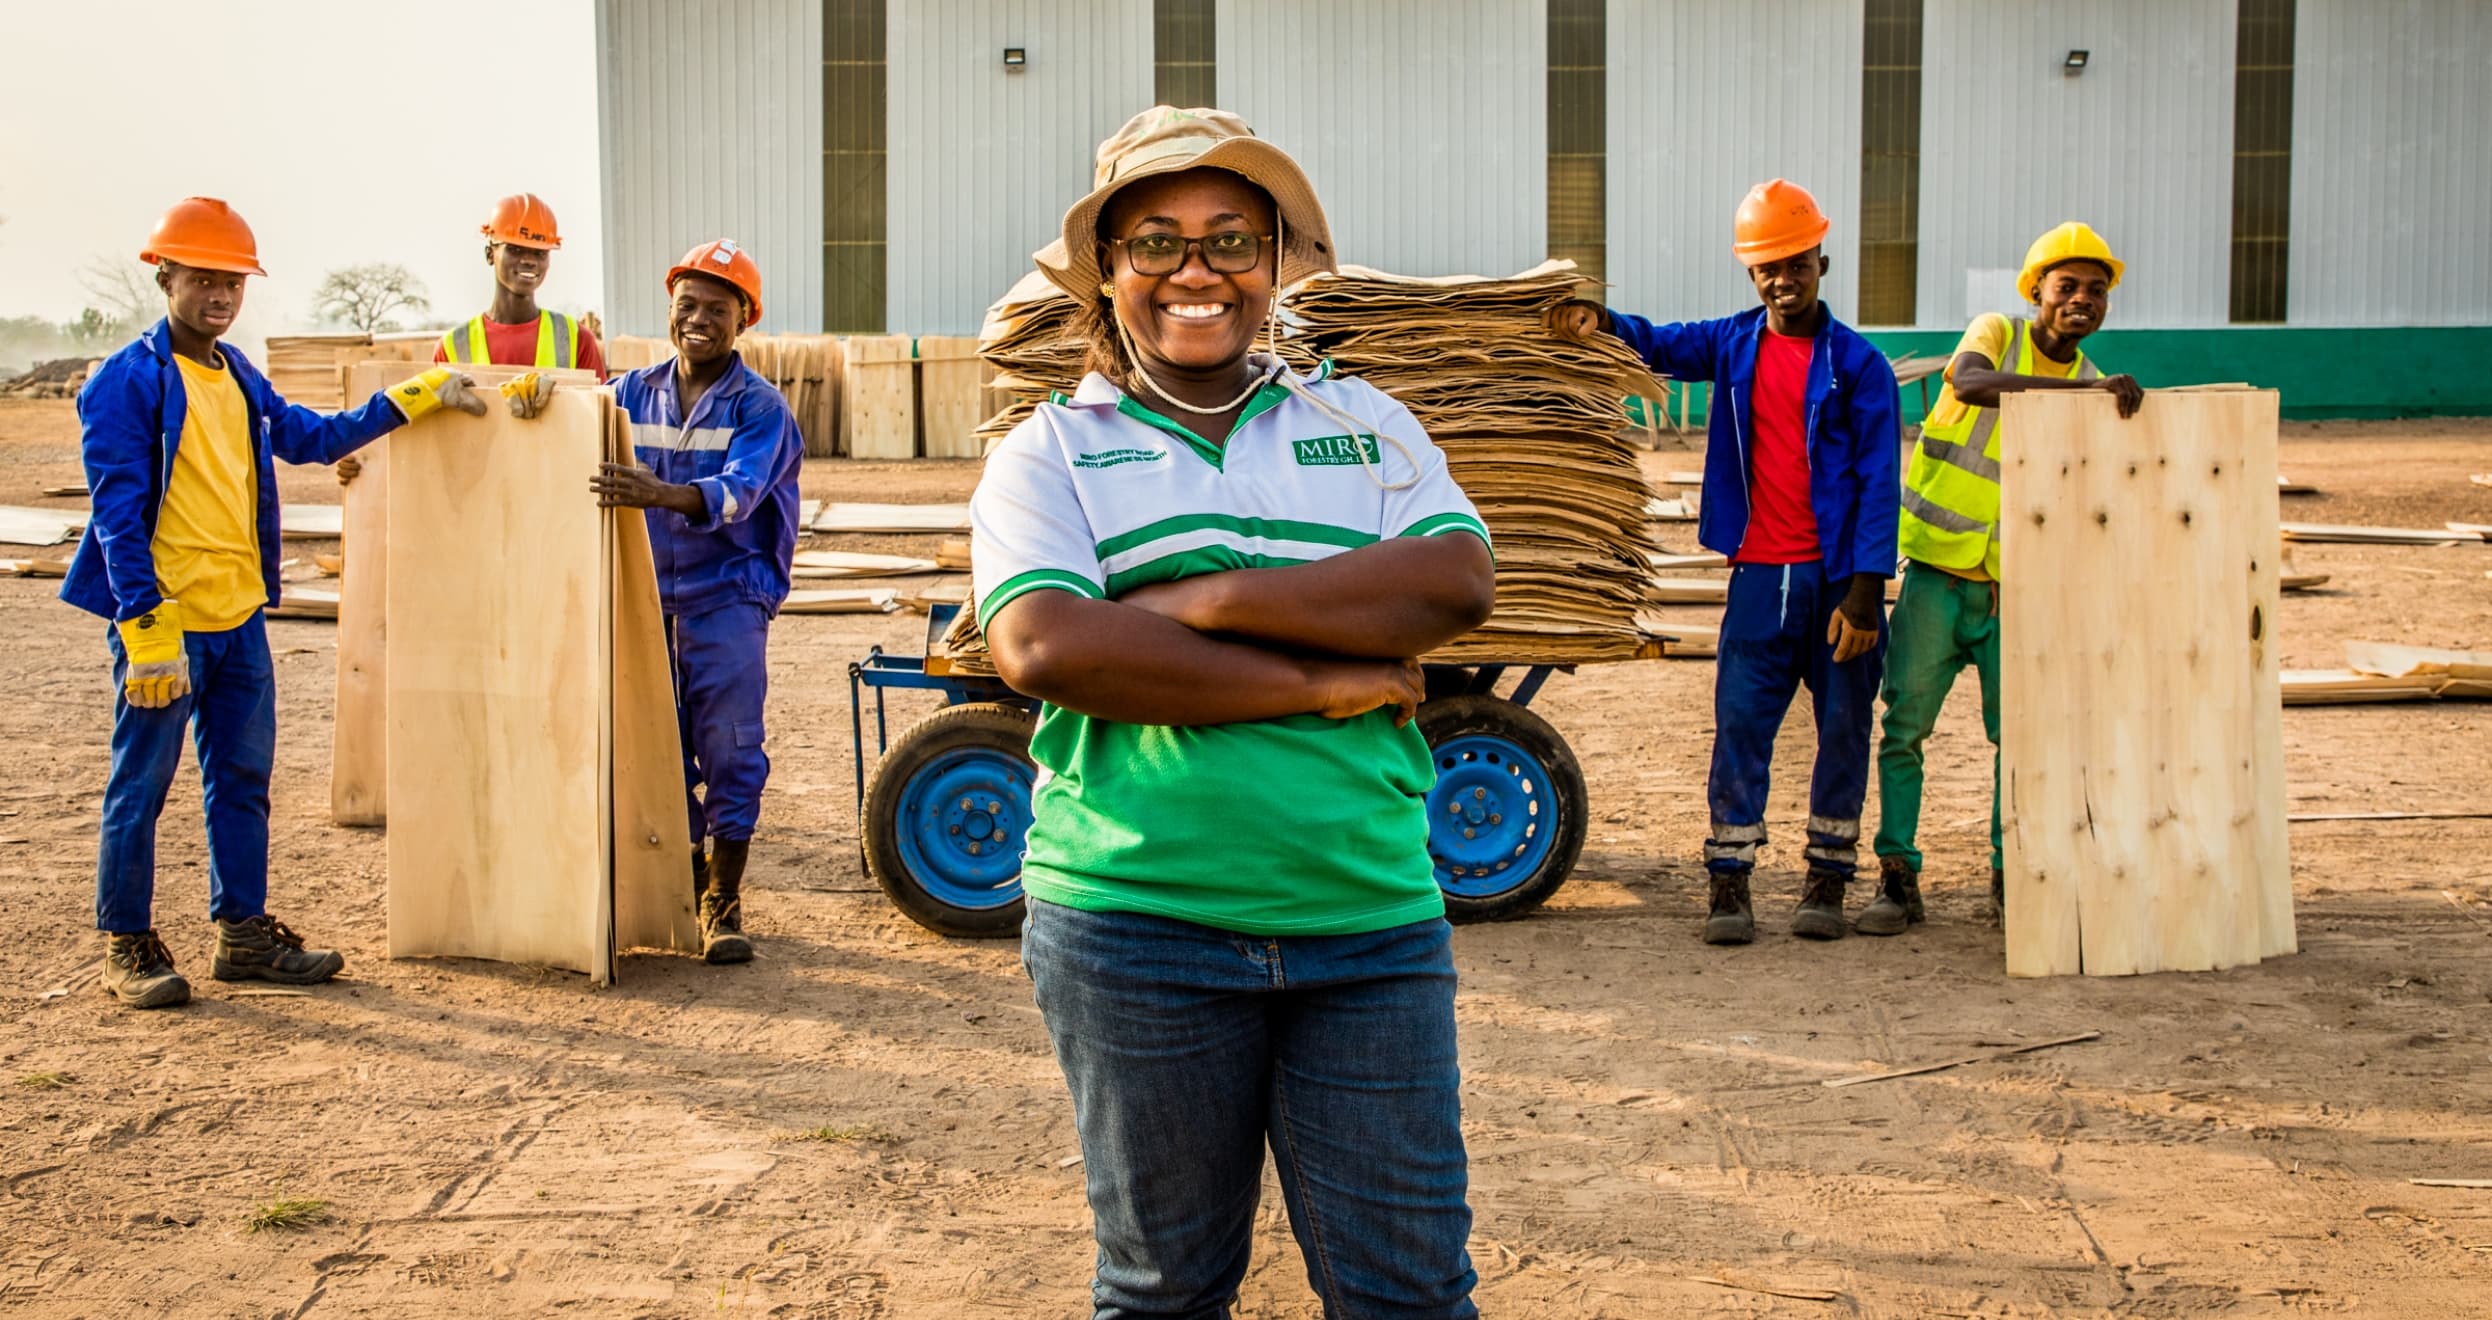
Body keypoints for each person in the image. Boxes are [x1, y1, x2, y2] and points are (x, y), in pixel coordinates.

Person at [974, 105, 1495, 1319]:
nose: (1193, 272)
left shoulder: (1361, 423)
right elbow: (1049, 644)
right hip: (1132, 930)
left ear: (1272, 265)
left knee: (1410, 1297)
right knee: (1163, 1290)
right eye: (1153, 241)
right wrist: (1319, 677)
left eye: (1228, 240)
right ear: (1106, 274)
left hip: (1364, 927)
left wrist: (1198, 600)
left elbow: (1451, 581)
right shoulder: (1047, 452)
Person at [64, 197, 494, 1009]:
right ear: (165, 277)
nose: (220, 297)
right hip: (167, 624)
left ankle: (244, 937)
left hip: (237, 620)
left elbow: (308, 437)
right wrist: (143, 624)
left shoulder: (235, 375)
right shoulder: (128, 381)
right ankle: (126, 943)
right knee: (141, 787)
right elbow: (117, 513)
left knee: (241, 778)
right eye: (202, 280)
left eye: (232, 282)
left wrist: (419, 393)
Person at [1549, 179, 1901, 945]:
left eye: (1797, 261)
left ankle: (1826, 880)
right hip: (1758, 581)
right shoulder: (1733, 345)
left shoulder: (1859, 366)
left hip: (1840, 585)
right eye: (1769, 265)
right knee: (1741, 727)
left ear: (1821, 260)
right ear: (1752, 273)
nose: (1784, 278)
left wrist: (1868, 592)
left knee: (1844, 729)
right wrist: (1600, 321)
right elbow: (1660, 342)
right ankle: (1730, 882)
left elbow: (1881, 479)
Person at [1868, 221, 2141, 928]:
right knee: (1903, 730)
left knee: (2017, 738)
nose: (2082, 299)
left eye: (2096, 289)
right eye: (2067, 286)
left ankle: (2008, 872)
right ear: (2037, 292)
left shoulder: (2092, 384)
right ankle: (1897, 874)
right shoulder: (1996, 335)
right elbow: (1967, 382)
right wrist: (2083, 401)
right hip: (1937, 575)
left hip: (2014, 590)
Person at [588, 239, 801, 966]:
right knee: (659, 752)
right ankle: (681, 890)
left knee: (731, 748)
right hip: (646, 600)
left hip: (727, 599)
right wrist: (533, 399)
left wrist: (658, 494)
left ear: (744, 321)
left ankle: (724, 898)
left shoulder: (762, 409)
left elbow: (740, 495)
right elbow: (569, 441)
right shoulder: (626, 394)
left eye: (718, 309)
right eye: (689, 306)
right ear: (670, 309)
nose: (700, 320)